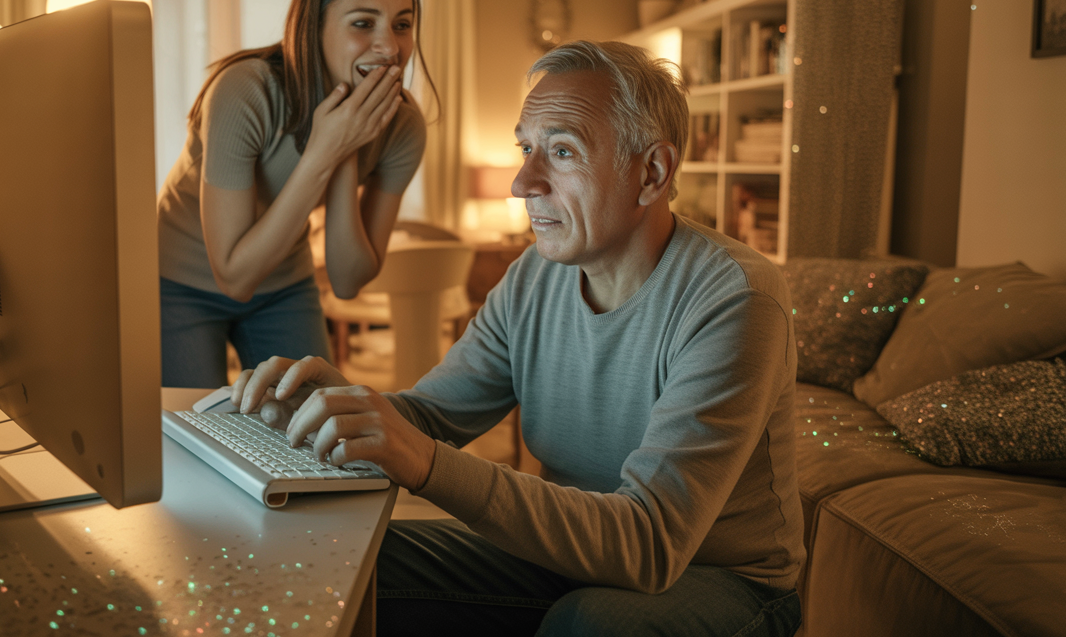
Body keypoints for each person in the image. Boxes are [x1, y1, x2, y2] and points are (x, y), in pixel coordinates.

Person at [231, 40, 805, 636]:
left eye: (562, 151)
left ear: (651, 173)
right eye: (526, 149)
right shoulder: (534, 275)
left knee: (590, 625)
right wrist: (337, 409)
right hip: (575, 555)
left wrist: (425, 463)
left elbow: (649, 543)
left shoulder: (735, 299)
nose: (522, 182)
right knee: (351, 558)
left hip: (721, 579)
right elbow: (431, 416)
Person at [157, 0, 432, 388]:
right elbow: (235, 276)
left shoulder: (403, 127)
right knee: (192, 421)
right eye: (363, 23)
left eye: (402, 24)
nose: (389, 46)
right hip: (178, 280)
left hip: (284, 281)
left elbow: (347, 281)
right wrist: (325, 150)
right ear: (313, 26)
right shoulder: (244, 91)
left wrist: (344, 151)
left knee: (316, 415)